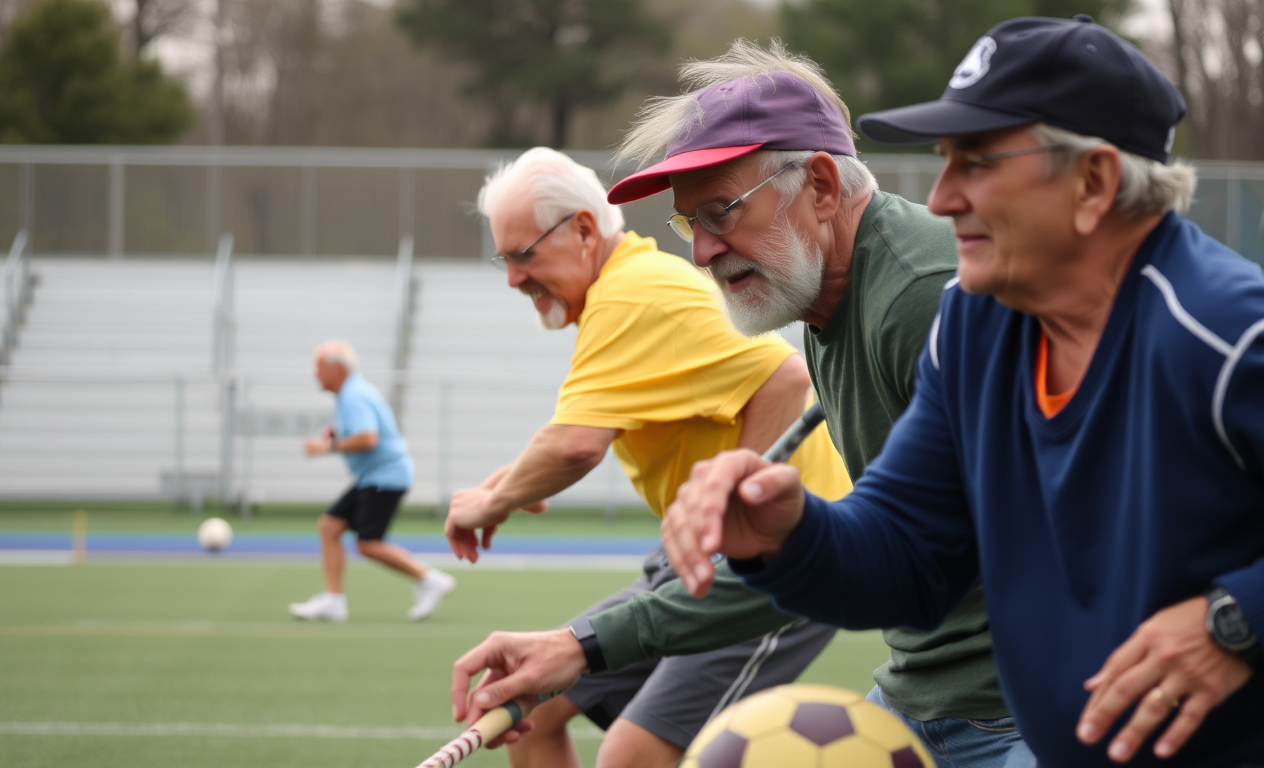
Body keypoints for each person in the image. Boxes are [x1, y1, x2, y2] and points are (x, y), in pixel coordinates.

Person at [662, 17, 1263, 768]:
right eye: (944, 161)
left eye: (976, 162)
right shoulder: (974, 325)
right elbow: (910, 559)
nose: (941, 198)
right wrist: (789, 534)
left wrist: (1233, 622)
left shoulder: (1228, 332)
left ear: (1094, 182)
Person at [450, 40, 1035, 768]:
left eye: (722, 211)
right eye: (691, 223)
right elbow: (860, 558)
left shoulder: (921, 298)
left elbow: (1006, 540)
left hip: (1019, 716)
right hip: (925, 702)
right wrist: (580, 645)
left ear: (820, 185)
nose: (701, 253)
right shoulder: (827, 301)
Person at [444, 146, 853, 768]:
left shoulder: (631, 294)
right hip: (700, 558)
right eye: (504, 259)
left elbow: (783, 378)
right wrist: (519, 480)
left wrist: (490, 501)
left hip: (778, 558)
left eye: (523, 255)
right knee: (538, 702)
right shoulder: (625, 290)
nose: (513, 278)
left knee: (630, 755)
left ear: (583, 230)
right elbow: (582, 429)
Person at [289, 340, 455, 622]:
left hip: (384, 476)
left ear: (336, 368)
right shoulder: (350, 393)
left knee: (368, 543)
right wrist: (337, 436)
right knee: (330, 526)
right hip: (376, 476)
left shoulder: (353, 395)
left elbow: (368, 438)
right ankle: (333, 601)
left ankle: (429, 579)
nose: (314, 374)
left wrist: (328, 447)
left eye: (319, 367)